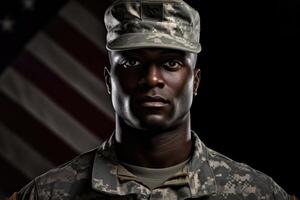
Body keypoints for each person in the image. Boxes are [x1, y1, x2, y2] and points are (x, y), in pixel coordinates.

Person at [10, 0, 291, 199]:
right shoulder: (47, 194)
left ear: (196, 82)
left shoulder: (256, 193)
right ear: (109, 81)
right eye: (132, 62)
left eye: (171, 63)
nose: (152, 79)